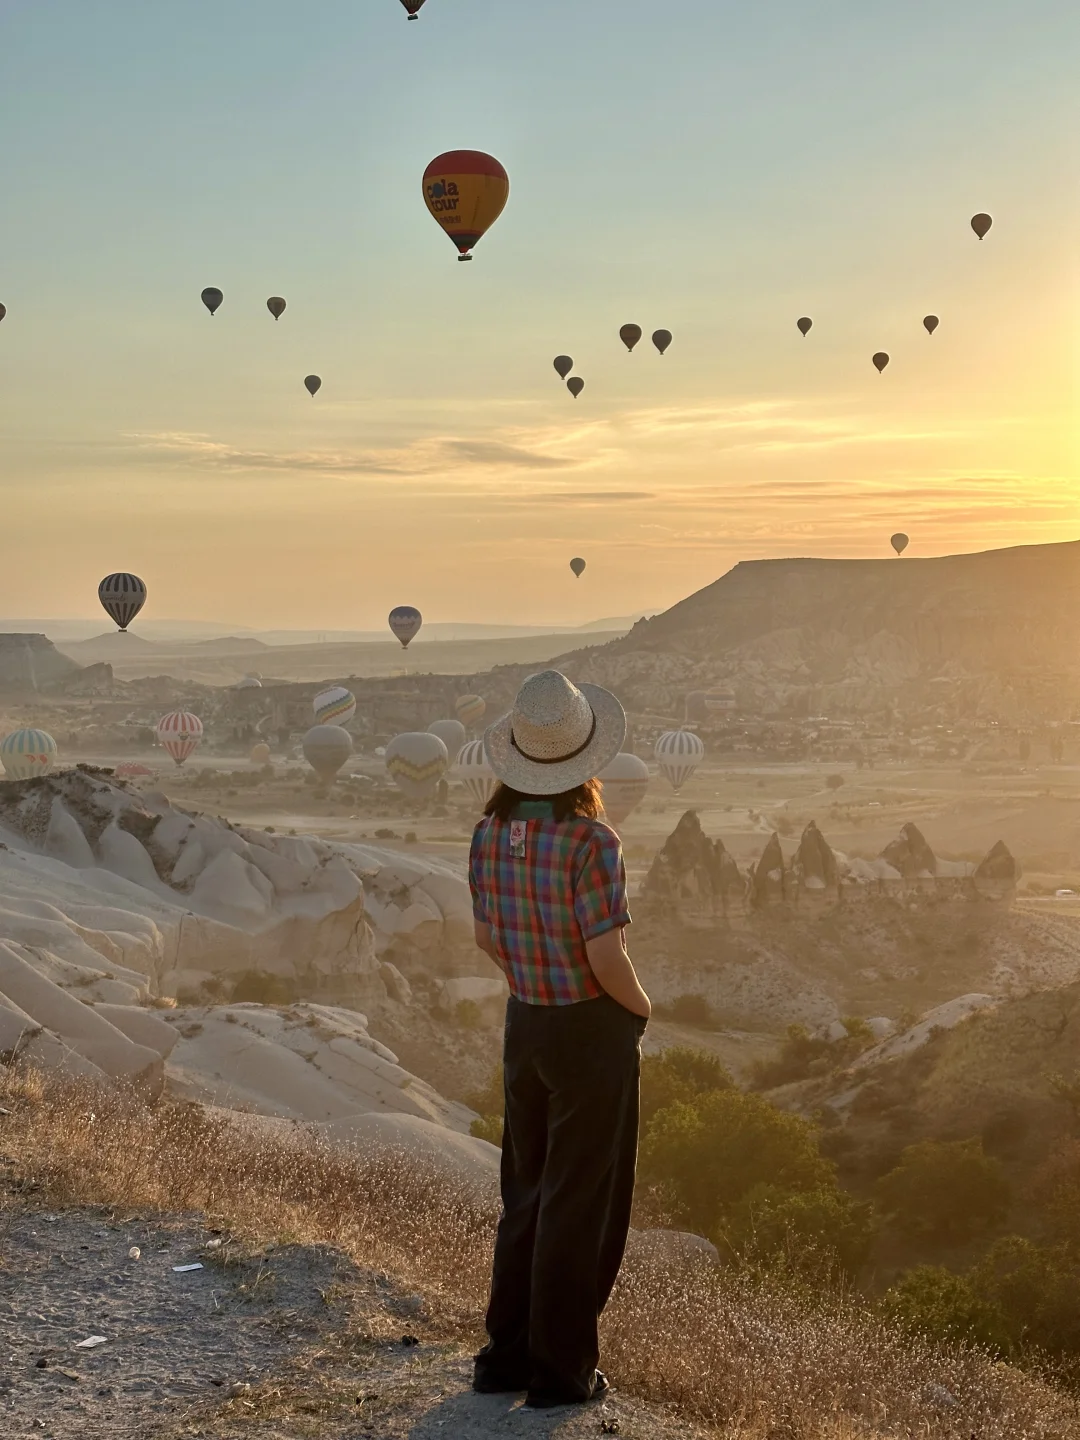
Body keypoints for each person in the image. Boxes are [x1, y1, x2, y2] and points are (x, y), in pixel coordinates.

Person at [468, 669, 651, 1409]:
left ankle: (504, 1357)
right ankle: (562, 1372)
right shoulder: (590, 842)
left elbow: (485, 937)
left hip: (526, 1022)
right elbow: (607, 955)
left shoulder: (488, 833)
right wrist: (638, 1009)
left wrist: (531, 977)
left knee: (527, 1194)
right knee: (581, 1204)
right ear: (585, 761)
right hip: (587, 1028)